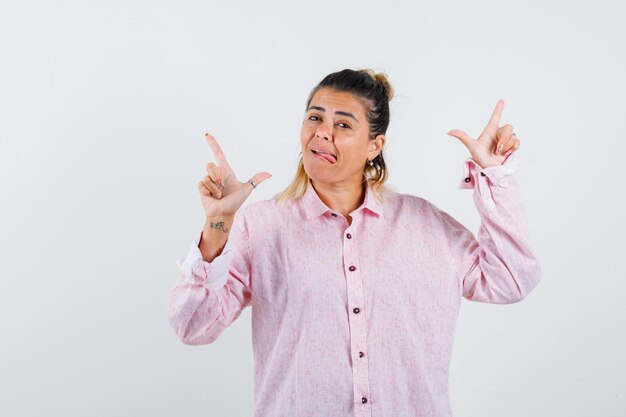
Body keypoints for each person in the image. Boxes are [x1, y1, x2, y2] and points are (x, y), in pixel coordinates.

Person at [168, 68, 542, 417]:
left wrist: (495, 176)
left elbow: (510, 279)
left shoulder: (426, 225)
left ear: (374, 146)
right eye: (314, 117)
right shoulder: (261, 226)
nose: (322, 132)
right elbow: (193, 326)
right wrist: (218, 225)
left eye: (342, 124)